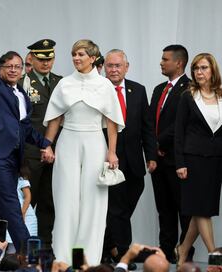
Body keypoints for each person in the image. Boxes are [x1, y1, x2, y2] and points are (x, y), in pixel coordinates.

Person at [43, 39, 124, 265]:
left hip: (95, 143)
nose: (76, 58)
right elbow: (55, 119)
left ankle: (85, 259)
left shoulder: (105, 85)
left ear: (92, 58)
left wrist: (112, 153)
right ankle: (64, 259)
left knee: (93, 203)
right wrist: (47, 144)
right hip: (68, 140)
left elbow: (111, 123)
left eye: (80, 54)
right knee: (65, 199)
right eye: (73, 54)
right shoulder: (64, 84)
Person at [0, 35, 54, 255]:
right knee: (12, 207)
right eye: (9, 66)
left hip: (12, 159)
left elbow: (25, 129)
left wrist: (46, 144)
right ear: (0, 69)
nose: (14, 70)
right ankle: (31, 258)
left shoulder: (23, 95)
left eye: (18, 66)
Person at [102, 49, 156, 264]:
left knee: (123, 208)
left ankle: (108, 247)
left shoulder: (138, 90)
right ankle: (124, 253)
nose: (114, 70)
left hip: (134, 160)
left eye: (118, 66)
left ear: (126, 67)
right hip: (108, 158)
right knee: (116, 208)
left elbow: (147, 126)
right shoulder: (99, 88)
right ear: (104, 67)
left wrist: (151, 155)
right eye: (110, 66)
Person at [174, 53, 222, 268]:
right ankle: (214, 255)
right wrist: (180, 162)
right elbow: (178, 133)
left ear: (213, 70)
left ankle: (182, 250)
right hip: (192, 161)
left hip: (215, 160)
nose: (199, 72)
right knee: (202, 210)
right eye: (196, 68)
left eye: (203, 67)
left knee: (201, 209)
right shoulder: (188, 96)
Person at [149, 44, 191, 262]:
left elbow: (180, 124)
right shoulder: (158, 89)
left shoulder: (190, 88)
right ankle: (166, 254)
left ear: (179, 63)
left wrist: (157, 142)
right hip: (159, 162)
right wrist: (152, 149)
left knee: (184, 210)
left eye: (165, 59)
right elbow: (150, 121)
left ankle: (185, 253)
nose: (161, 62)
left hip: (178, 160)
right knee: (164, 211)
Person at [19, 39, 62, 250]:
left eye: (50, 58)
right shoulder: (22, 83)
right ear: (31, 58)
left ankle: (45, 246)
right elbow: (24, 122)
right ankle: (23, 246)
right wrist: (43, 146)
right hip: (31, 152)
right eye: (41, 59)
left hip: (57, 152)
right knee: (27, 201)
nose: (46, 63)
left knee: (49, 202)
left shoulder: (61, 82)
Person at [5, 161, 37, 254]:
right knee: (12, 240)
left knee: (28, 239)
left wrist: (22, 212)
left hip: (26, 215)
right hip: (15, 213)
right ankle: (13, 260)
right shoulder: (7, 180)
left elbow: (28, 196)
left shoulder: (21, 180)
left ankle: (29, 261)